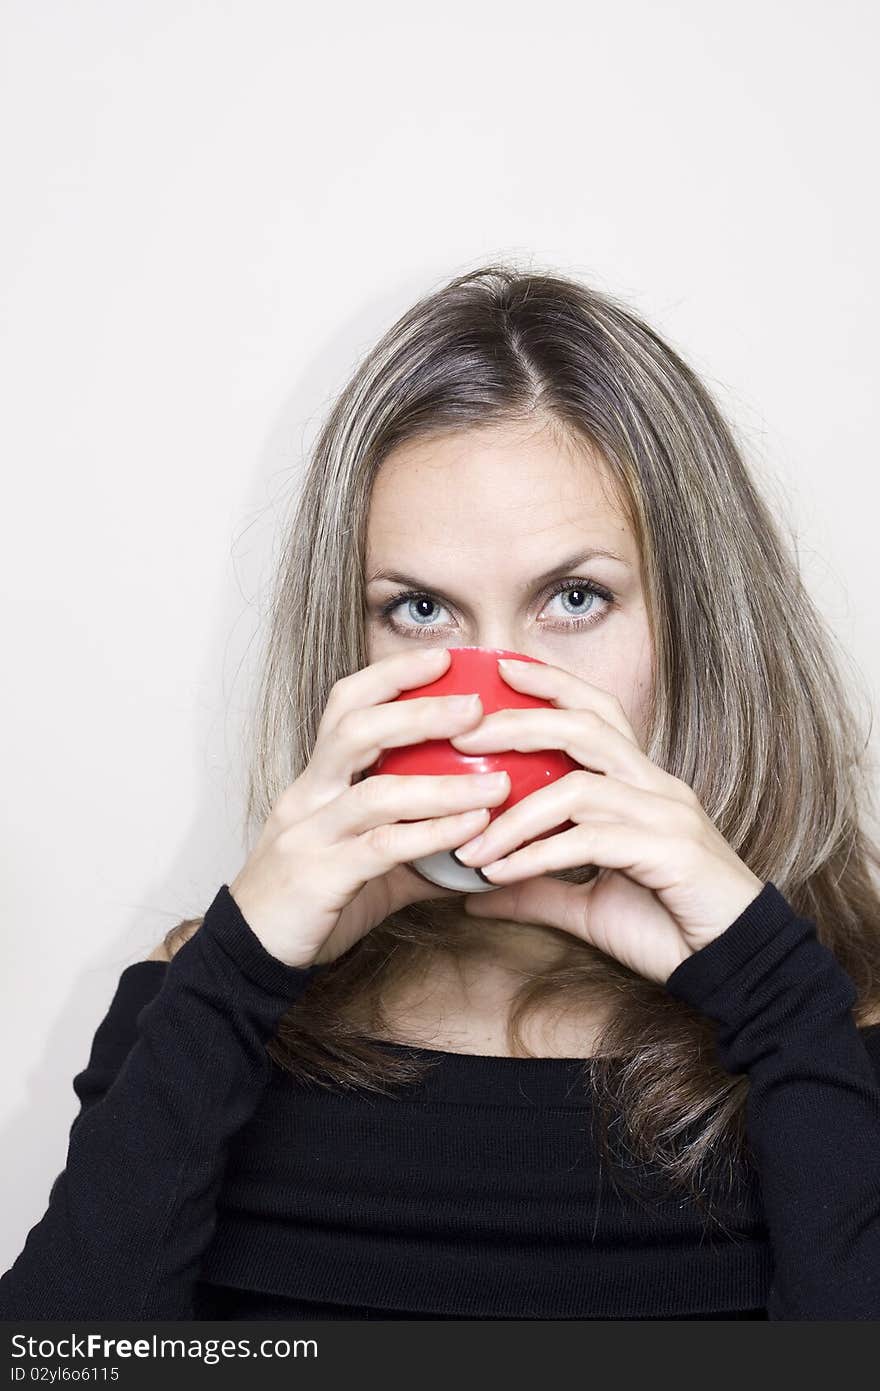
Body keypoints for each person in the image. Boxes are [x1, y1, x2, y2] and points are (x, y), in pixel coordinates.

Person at [3, 264, 880, 1321]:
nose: (492, 693)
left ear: (695, 626)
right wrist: (236, 972)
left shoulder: (833, 1013)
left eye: (573, 596)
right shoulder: (215, 995)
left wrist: (776, 995)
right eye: (419, 608)